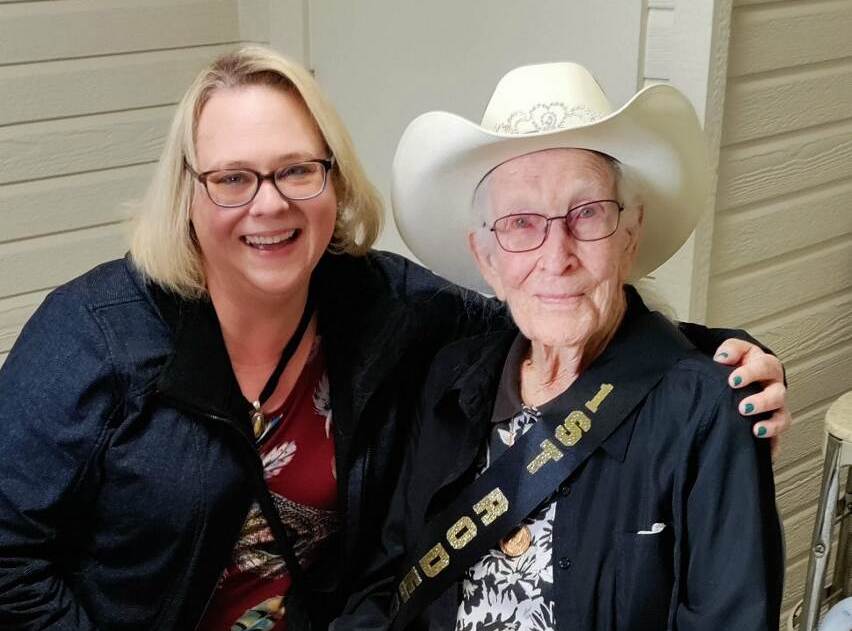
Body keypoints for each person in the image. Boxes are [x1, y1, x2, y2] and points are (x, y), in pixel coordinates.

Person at [0, 48, 786, 630]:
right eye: (233, 177)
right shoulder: (94, 336)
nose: (268, 204)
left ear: (334, 181)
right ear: (188, 194)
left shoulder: (383, 306)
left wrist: (715, 361)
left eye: (297, 170)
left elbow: (551, 310)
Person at [337, 62, 784, 630]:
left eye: (586, 213)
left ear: (630, 235)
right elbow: (384, 590)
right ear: (486, 259)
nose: (556, 257)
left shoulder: (705, 414)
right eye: (521, 223)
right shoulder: (448, 382)